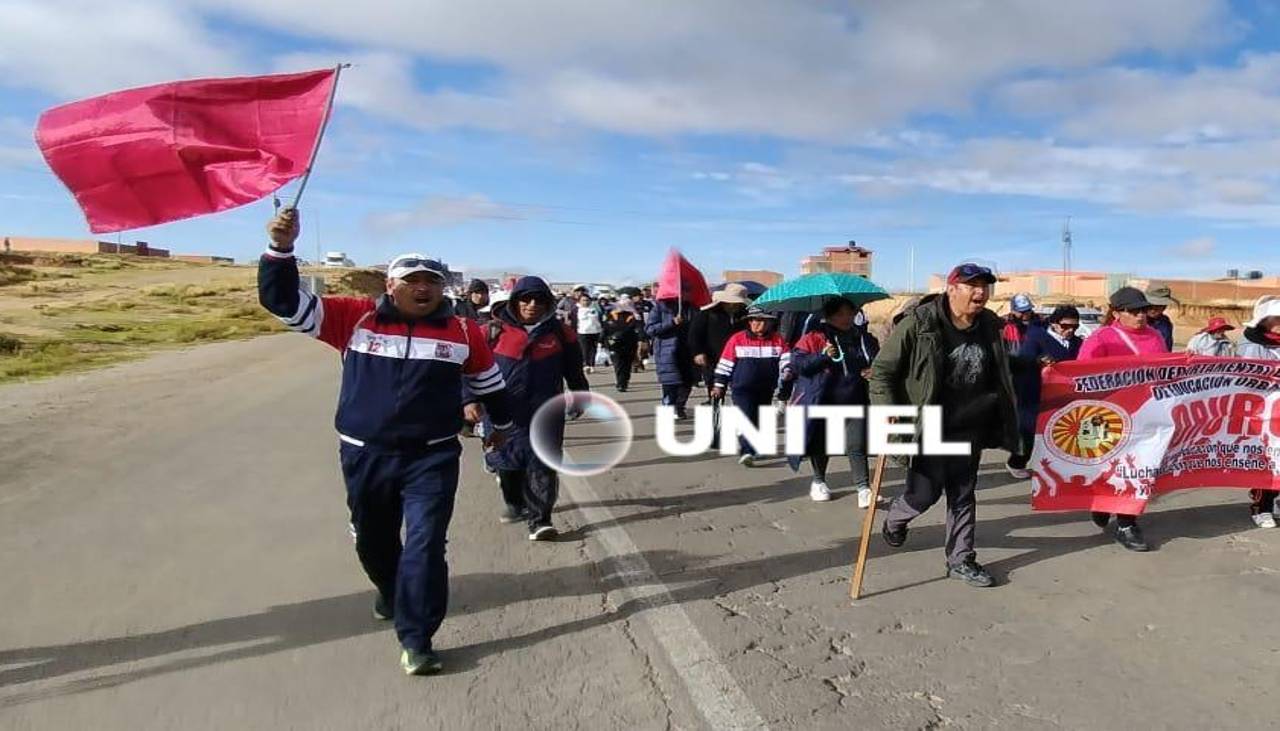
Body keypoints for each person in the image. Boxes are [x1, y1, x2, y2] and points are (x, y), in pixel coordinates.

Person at [258, 208, 513, 676]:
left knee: (425, 543)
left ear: (443, 288)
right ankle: (389, 588)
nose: (423, 287)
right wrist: (281, 249)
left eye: (432, 280)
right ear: (391, 286)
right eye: (413, 279)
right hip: (364, 453)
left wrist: (500, 428)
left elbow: (489, 385)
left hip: (431, 457)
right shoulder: (352, 318)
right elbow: (281, 301)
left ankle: (417, 638)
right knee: (375, 542)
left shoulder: (463, 332)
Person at [871, 262, 1021, 588]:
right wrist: (888, 410)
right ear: (951, 289)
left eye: (985, 286)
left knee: (963, 494)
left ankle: (961, 559)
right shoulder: (919, 324)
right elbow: (882, 371)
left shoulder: (990, 326)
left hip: (971, 426)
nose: (980, 292)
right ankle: (896, 518)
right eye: (971, 285)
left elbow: (1004, 370)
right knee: (923, 495)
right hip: (931, 426)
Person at [475, 276, 590, 541]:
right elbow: (471, 370)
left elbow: (574, 370)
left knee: (543, 464)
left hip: (546, 411)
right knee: (507, 464)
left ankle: (541, 520)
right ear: (515, 301)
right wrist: (469, 402)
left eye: (539, 299)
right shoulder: (491, 332)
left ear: (548, 302)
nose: (532, 304)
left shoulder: (561, 333)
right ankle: (515, 502)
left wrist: (580, 395)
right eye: (526, 298)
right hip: (502, 413)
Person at [1077, 286, 1169, 551]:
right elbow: (1082, 377)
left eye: (1143, 310)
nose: (1140, 316)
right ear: (1117, 313)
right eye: (1133, 311)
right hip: (1109, 417)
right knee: (1111, 470)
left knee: (1139, 469)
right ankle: (1102, 503)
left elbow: (1165, 370)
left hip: (1147, 415)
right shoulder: (1101, 338)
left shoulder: (1155, 336)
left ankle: (1127, 523)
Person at [789, 298, 880, 505]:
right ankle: (819, 481)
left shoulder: (864, 338)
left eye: (849, 313)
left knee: (856, 444)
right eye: (840, 314)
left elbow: (878, 360)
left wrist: (873, 371)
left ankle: (864, 489)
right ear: (828, 316)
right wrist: (822, 357)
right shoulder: (814, 337)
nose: (846, 318)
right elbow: (799, 365)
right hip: (823, 400)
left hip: (855, 398)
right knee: (822, 444)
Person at [1006, 305, 1082, 479]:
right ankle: (1016, 462)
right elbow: (1023, 361)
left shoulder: (1078, 343)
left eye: (1074, 327)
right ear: (1054, 324)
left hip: (1063, 396)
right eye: (1065, 326)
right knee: (1028, 432)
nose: (1070, 331)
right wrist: (1038, 360)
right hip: (1033, 392)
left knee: (1063, 432)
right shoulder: (1037, 337)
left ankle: (1058, 466)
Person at [710, 306, 790, 466]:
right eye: (753, 320)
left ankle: (754, 446)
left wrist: (787, 370)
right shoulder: (737, 339)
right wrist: (719, 384)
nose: (756, 324)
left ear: (769, 323)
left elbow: (786, 358)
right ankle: (747, 451)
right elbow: (725, 363)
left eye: (761, 320)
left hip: (766, 388)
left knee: (759, 418)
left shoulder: (778, 340)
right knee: (745, 417)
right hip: (742, 389)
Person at [1237, 296, 1280, 528]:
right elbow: (1249, 379)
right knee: (1270, 460)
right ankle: (1261, 507)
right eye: (1277, 318)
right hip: (1263, 412)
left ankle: (1275, 502)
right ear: (1265, 321)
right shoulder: (1250, 345)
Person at [689, 284, 750, 399]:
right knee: (716, 389)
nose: (735, 306)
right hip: (713, 357)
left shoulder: (745, 315)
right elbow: (694, 335)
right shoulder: (707, 314)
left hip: (738, 358)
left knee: (740, 389)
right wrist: (698, 352)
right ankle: (716, 413)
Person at [646, 296, 698, 418]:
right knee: (671, 382)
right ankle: (669, 406)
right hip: (668, 350)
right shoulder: (659, 307)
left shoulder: (692, 307)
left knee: (687, 382)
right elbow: (650, 329)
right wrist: (671, 322)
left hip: (688, 349)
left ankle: (680, 406)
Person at [604, 295, 643, 391]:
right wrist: (602, 341)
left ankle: (624, 381)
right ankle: (620, 383)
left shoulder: (633, 315)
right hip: (613, 342)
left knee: (627, 364)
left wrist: (641, 340)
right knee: (617, 363)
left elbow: (635, 328)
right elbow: (605, 328)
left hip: (629, 343)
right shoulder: (611, 315)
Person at [576, 293, 604, 374]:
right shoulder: (577, 309)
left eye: (587, 300)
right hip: (583, 332)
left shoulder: (595, 309)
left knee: (593, 349)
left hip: (595, 331)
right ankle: (586, 365)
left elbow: (601, 319)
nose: (586, 302)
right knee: (584, 349)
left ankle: (592, 365)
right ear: (580, 301)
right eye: (583, 300)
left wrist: (601, 329)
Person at [1144, 285, 1177, 351]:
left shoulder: (1165, 323)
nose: (1153, 309)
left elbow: (1167, 348)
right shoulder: (1135, 321)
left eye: (1158, 306)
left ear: (1164, 307)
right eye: (1150, 305)